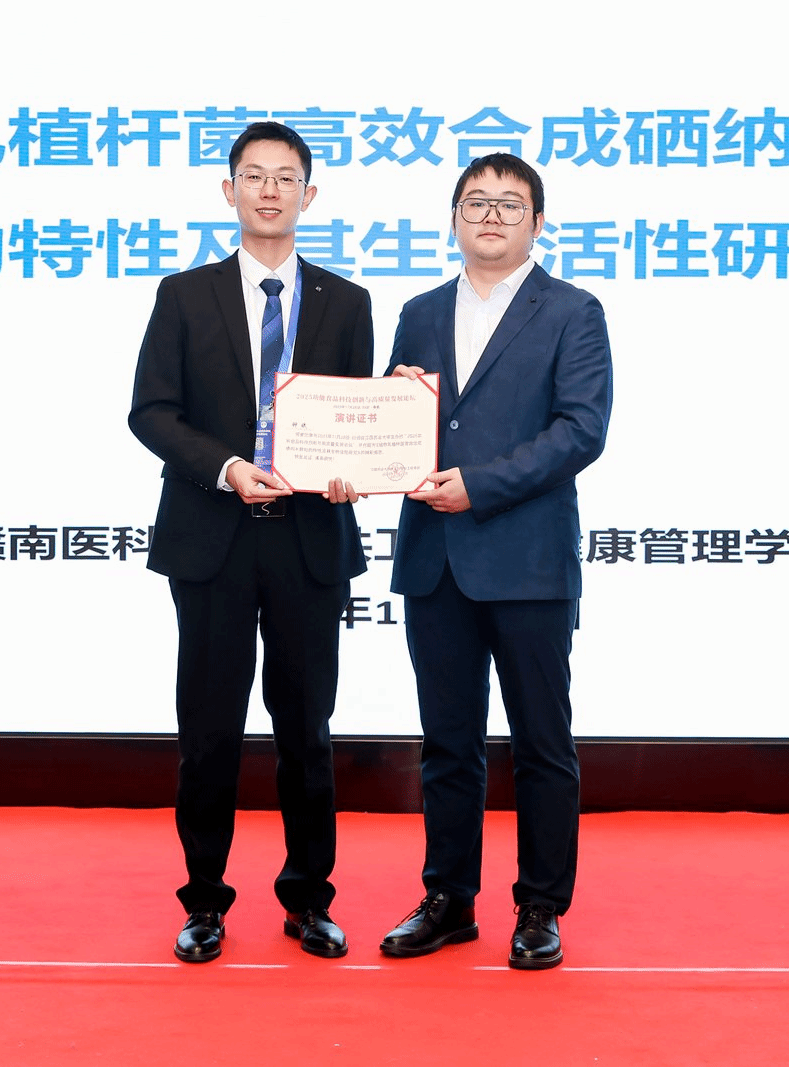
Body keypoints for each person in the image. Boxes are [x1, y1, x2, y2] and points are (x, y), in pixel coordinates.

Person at [128, 122, 372, 963]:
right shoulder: (182, 295)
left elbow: (355, 418)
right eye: (255, 175)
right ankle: (204, 900)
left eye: (286, 177)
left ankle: (309, 899)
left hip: (308, 539)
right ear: (228, 191)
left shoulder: (347, 302)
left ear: (310, 195)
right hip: (213, 538)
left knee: (308, 729)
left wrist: (352, 467)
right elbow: (151, 412)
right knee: (209, 731)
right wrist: (227, 466)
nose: (270, 190)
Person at [378, 153, 612, 970]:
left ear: (537, 224)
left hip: (527, 559)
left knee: (542, 742)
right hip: (434, 558)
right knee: (447, 742)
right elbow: (395, 420)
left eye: (510, 204)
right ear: (453, 219)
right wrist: (384, 415)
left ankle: (541, 905)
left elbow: (580, 430)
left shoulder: (573, 311)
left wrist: (479, 486)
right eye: (475, 202)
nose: (491, 215)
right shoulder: (418, 311)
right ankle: (449, 898)